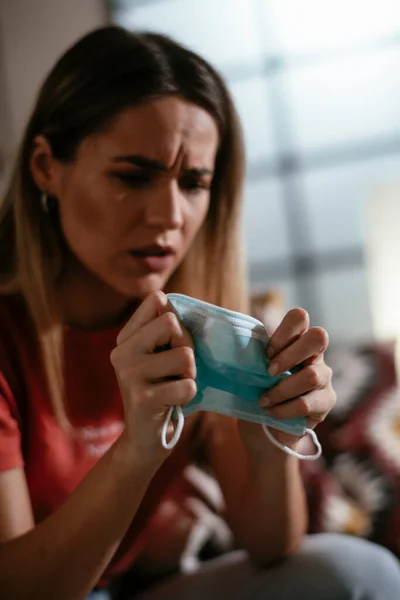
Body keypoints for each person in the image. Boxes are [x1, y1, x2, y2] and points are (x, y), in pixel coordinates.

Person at [0, 26, 399, 600]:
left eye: (194, 182)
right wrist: (138, 451)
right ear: (46, 167)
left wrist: (270, 437)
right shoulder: (8, 343)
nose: (169, 215)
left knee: (357, 573)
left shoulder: (199, 327)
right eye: (132, 176)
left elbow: (272, 548)